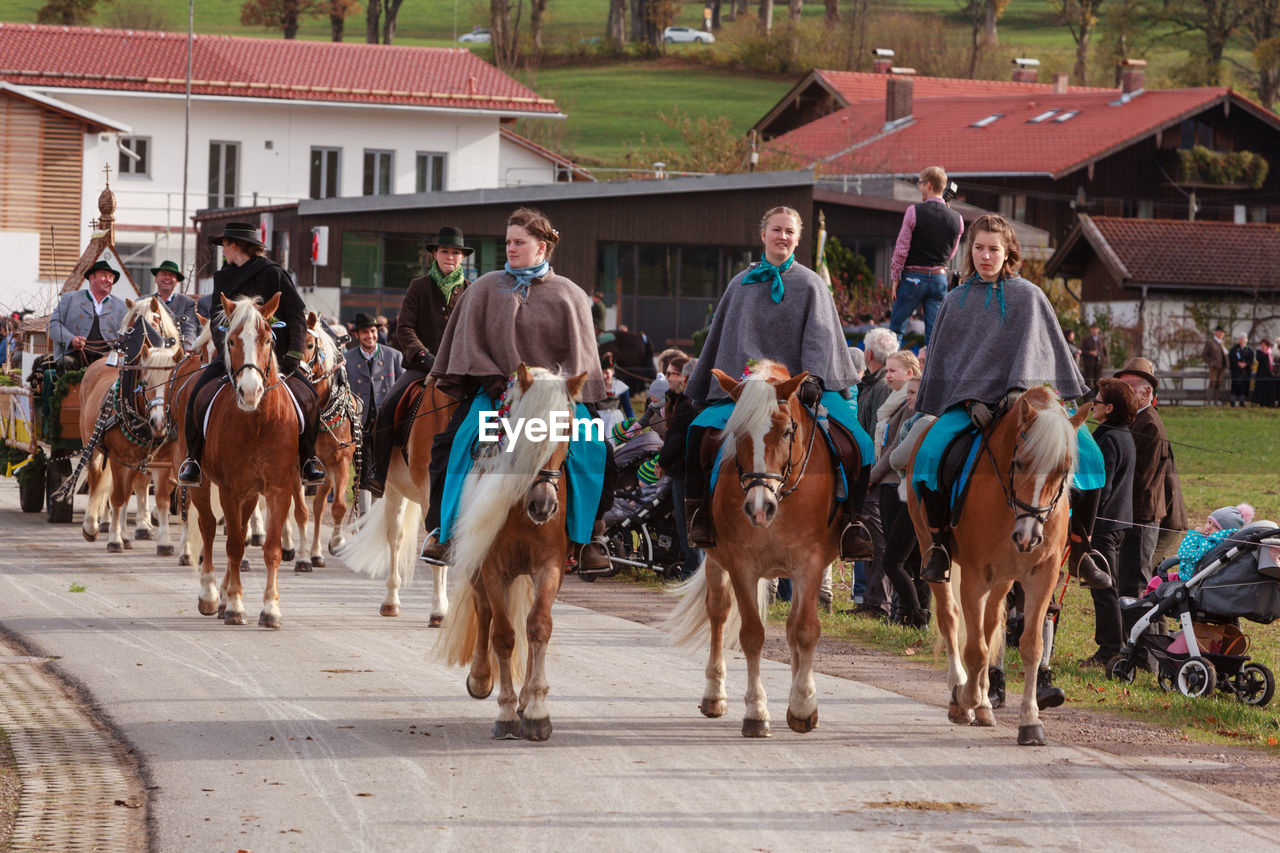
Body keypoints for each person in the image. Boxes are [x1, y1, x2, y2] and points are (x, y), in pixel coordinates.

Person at [911, 214, 1110, 589]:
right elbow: (951, 361)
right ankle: (937, 544)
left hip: (1033, 406)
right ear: (970, 251)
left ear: (1008, 253)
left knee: (1093, 458)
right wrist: (969, 400)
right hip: (972, 409)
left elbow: (1040, 352)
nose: (986, 256)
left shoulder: (1029, 296)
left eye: (994, 249)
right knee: (929, 455)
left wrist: (1020, 392)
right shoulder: (954, 301)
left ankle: (1082, 552)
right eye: (979, 248)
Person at [421, 208, 612, 571]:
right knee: (454, 444)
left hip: (555, 401)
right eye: (508, 242)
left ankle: (591, 538)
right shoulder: (484, 288)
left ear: (541, 247)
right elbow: (469, 345)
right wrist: (491, 378)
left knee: (596, 447)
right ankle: (443, 533)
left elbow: (580, 361)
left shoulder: (569, 294)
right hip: (497, 394)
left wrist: (555, 390)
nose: (510, 248)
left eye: (519, 242)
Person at [684, 205, 873, 560]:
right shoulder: (739, 285)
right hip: (747, 391)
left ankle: (852, 523)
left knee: (860, 444)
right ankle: (700, 516)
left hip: (801, 390)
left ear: (799, 238)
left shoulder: (812, 284)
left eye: (789, 231)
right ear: (763, 235)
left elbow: (820, 337)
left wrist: (814, 377)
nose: (782, 236)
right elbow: (727, 342)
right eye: (777, 230)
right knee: (698, 432)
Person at [177, 222, 325, 487]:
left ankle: (309, 460)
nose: (223, 250)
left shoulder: (273, 273)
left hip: (273, 355)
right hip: (233, 353)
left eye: (224, 245)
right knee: (196, 396)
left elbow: (295, 316)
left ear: (234, 245)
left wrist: (294, 355)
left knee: (310, 397)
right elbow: (215, 319)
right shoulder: (222, 276)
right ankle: (193, 460)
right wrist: (227, 347)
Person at [364, 227, 474, 497]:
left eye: (456, 252)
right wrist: (424, 355)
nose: (450, 256)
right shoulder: (419, 286)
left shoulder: (472, 290)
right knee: (389, 404)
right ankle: (379, 470)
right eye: (445, 251)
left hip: (459, 369)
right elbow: (405, 328)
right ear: (435, 254)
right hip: (421, 366)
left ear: (462, 257)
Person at [863, 354, 926, 624]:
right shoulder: (898, 403)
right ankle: (906, 613)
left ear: (910, 372)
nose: (888, 375)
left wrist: (872, 475)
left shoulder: (913, 410)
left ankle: (915, 614)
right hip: (892, 482)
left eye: (893, 370)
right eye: (886, 370)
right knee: (902, 558)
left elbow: (895, 453)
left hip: (898, 484)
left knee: (897, 558)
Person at [1081, 378, 1138, 668]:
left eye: (1098, 401)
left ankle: (1110, 651)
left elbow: (1101, 488)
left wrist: (1087, 525)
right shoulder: (1120, 434)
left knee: (1103, 588)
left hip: (1105, 524)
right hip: (1116, 522)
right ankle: (1115, 644)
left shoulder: (1109, 439)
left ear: (1110, 408)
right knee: (1105, 586)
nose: (1093, 405)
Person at [1114, 356, 1181, 596]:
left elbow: (1142, 479)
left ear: (1145, 393)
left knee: (1139, 587)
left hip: (1143, 517)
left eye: (1127, 387)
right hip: (1134, 515)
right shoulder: (1133, 420)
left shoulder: (1149, 423)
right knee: (1133, 582)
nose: (1122, 393)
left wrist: (1111, 499)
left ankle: (1145, 634)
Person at [888, 166, 963, 347]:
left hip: (913, 277)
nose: (919, 187)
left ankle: (887, 372)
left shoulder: (913, 212)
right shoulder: (957, 218)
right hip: (939, 278)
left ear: (928, 185)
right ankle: (931, 373)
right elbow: (951, 252)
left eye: (920, 184)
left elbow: (901, 248)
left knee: (895, 331)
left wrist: (895, 277)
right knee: (934, 334)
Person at [654, 355, 701, 579]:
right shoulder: (708, 402)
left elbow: (675, 439)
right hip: (704, 474)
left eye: (672, 373)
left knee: (687, 526)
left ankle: (691, 572)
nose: (669, 378)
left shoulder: (687, 404)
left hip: (683, 474)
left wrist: (662, 463)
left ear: (685, 377)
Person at [346, 312, 404, 477]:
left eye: (373, 331)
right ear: (357, 335)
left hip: (388, 427)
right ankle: (363, 503)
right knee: (362, 477)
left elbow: (403, 390)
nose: (370, 336)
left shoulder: (394, 356)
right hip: (359, 426)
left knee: (388, 475)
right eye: (365, 332)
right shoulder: (347, 359)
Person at [48, 260, 129, 371]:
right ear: (91, 278)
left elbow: (126, 335)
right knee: (66, 363)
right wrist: (71, 340)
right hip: (74, 356)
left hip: (107, 359)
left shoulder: (122, 307)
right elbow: (52, 325)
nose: (108, 280)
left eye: (111, 277)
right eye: (104, 275)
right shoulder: (70, 298)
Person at [148, 260, 199, 350]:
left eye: (171, 275)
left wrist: (186, 351)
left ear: (177, 281)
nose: (167, 278)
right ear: (156, 279)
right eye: (163, 274)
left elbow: (189, 330)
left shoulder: (187, 303)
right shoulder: (144, 302)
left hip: (176, 354)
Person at [596, 351, 635, 439]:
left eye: (607, 373)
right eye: (602, 373)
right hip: (599, 419)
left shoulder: (619, 386)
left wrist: (633, 423)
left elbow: (627, 408)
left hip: (615, 419)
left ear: (612, 371)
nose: (604, 376)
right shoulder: (595, 387)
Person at [1203, 326, 1228, 406]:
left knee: (1218, 383)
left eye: (1223, 333)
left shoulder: (1222, 342)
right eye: (1220, 332)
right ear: (1216, 332)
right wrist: (1211, 362)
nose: (1222, 334)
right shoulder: (1210, 342)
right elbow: (1204, 354)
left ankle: (1216, 402)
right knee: (1212, 382)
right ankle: (1208, 402)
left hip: (1222, 366)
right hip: (1214, 366)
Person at [1080, 322, 1106, 391]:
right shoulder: (1086, 339)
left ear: (1098, 330)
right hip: (1089, 364)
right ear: (1090, 330)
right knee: (1087, 382)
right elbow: (1082, 351)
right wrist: (1090, 352)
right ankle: (1087, 399)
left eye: (1096, 329)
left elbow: (1104, 351)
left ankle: (1097, 399)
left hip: (1099, 364)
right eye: (1093, 329)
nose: (1095, 330)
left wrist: (1104, 360)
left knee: (1098, 382)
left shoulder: (1101, 339)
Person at [1229, 334, 1253, 407]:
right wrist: (1238, 363)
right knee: (1235, 386)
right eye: (1240, 339)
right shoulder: (1234, 349)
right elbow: (1232, 358)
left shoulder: (1248, 349)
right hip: (1236, 371)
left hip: (1245, 371)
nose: (1241, 340)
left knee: (1244, 386)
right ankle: (1232, 402)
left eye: (1242, 339)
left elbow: (1251, 359)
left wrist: (1246, 364)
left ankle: (1242, 401)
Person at [1255, 339, 1276, 407]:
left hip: (1269, 373)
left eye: (1264, 345)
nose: (1263, 346)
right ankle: (1262, 403)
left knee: (1269, 388)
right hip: (1261, 373)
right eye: (1262, 345)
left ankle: (1269, 403)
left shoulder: (1271, 352)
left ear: (1267, 346)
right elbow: (1259, 359)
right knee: (1262, 389)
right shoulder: (1259, 352)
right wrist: (1264, 353)